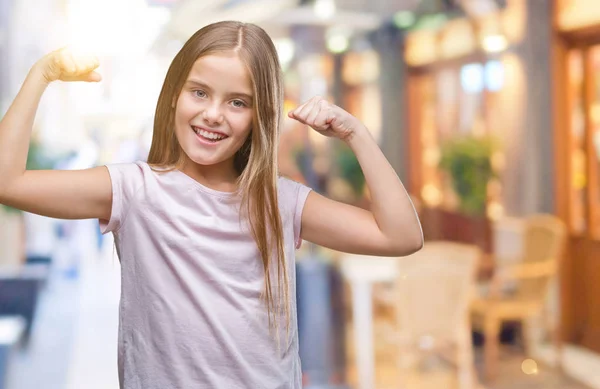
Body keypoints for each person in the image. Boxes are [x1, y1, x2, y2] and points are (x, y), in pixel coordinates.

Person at [0, 21, 422, 389]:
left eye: (238, 102)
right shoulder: (133, 190)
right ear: (173, 97)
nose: (214, 114)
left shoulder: (278, 202)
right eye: (199, 93)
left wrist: (356, 134)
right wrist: (41, 75)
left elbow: (401, 236)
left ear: (260, 116)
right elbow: (8, 183)